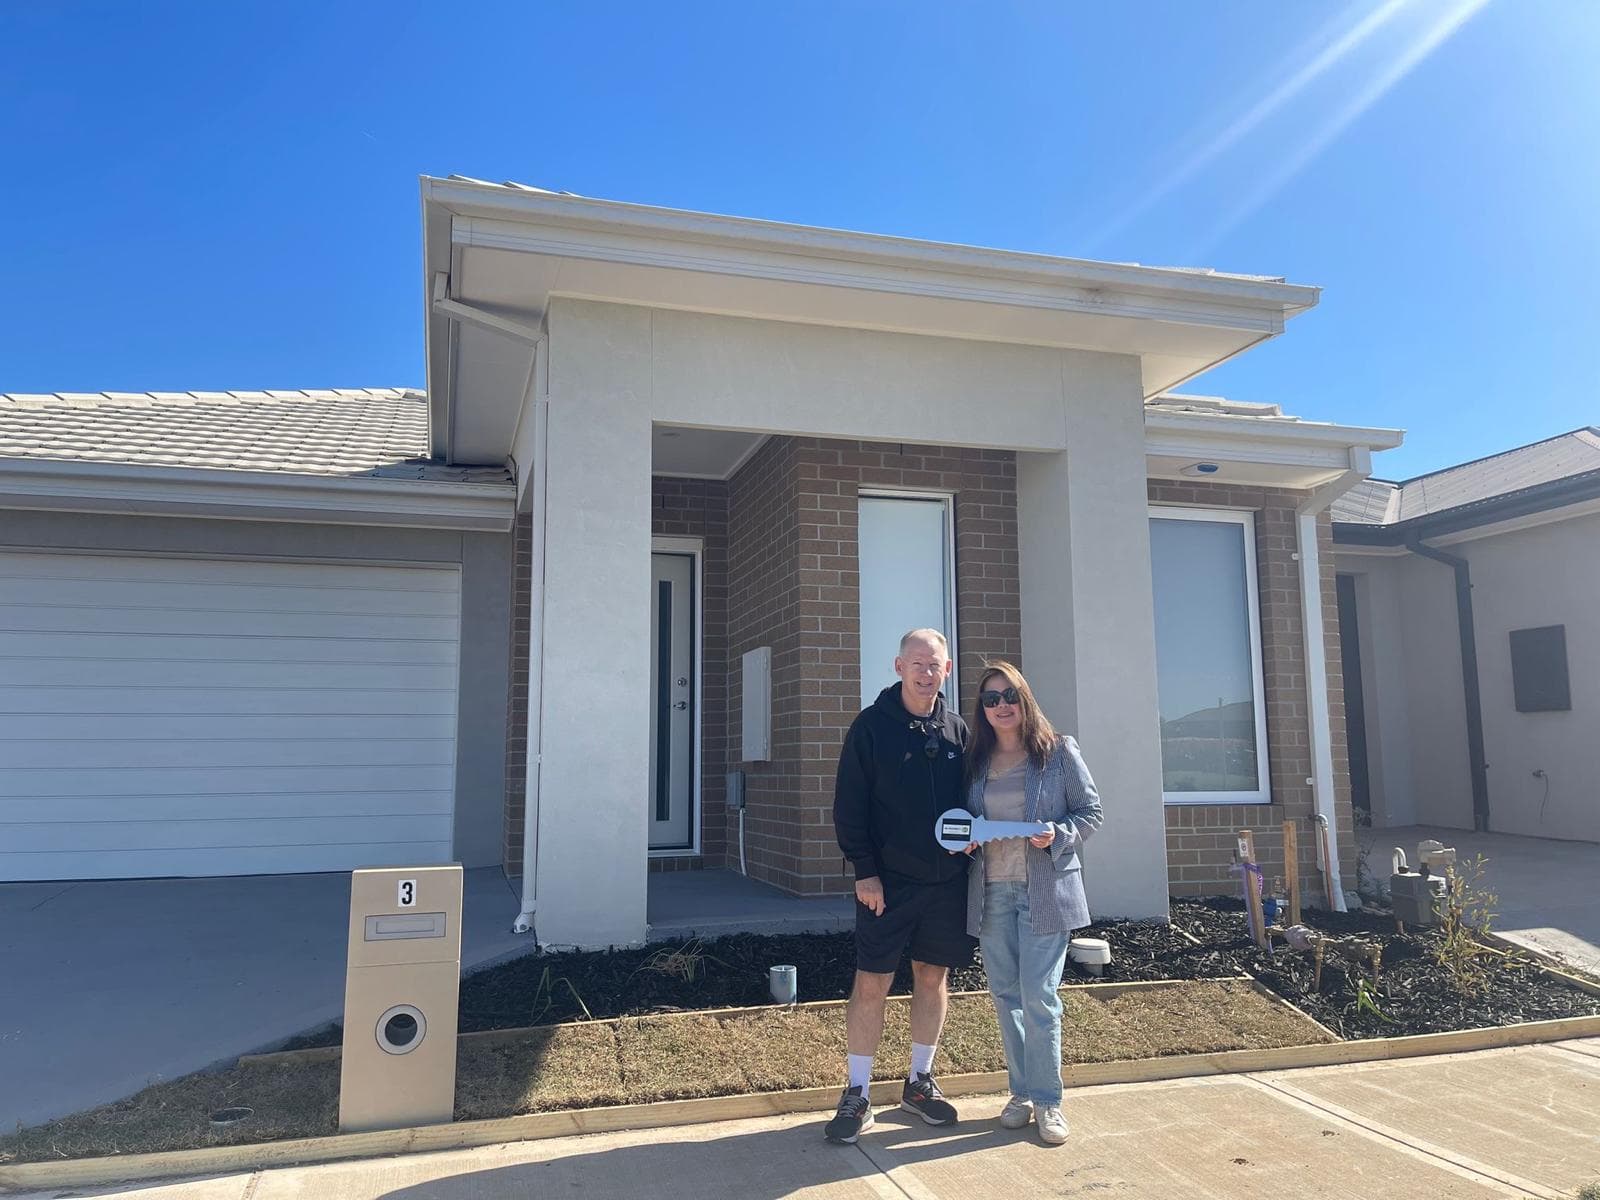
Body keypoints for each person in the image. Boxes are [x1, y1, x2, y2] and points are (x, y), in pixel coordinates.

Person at [825, 628, 972, 1144]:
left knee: (932, 979)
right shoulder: (870, 728)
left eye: (935, 665)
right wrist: (864, 870)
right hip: (885, 885)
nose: (925, 672)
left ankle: (918, 1083)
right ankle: (858, 1093)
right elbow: (849, 806)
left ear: (947, 670)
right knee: (872, 983)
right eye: (917, 663)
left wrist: (974, 838)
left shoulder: (957, 731)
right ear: (898, 666)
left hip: (946, 885)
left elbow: (971, 804)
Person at [963, 661, 1103, 1145]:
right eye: (990, 699)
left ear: (1024, 699)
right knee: (1006, 996)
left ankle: (1047, 1101)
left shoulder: (1058, 752)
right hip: (992, 891)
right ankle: (1020, 1093)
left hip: (1045, 891)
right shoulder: (976, 760)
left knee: (1039, 998)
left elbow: (1091, 812)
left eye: (1009, 696)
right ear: (982, 710)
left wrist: (1059, 834)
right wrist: (966, 838)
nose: (1001, 705)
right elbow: (970, 821)